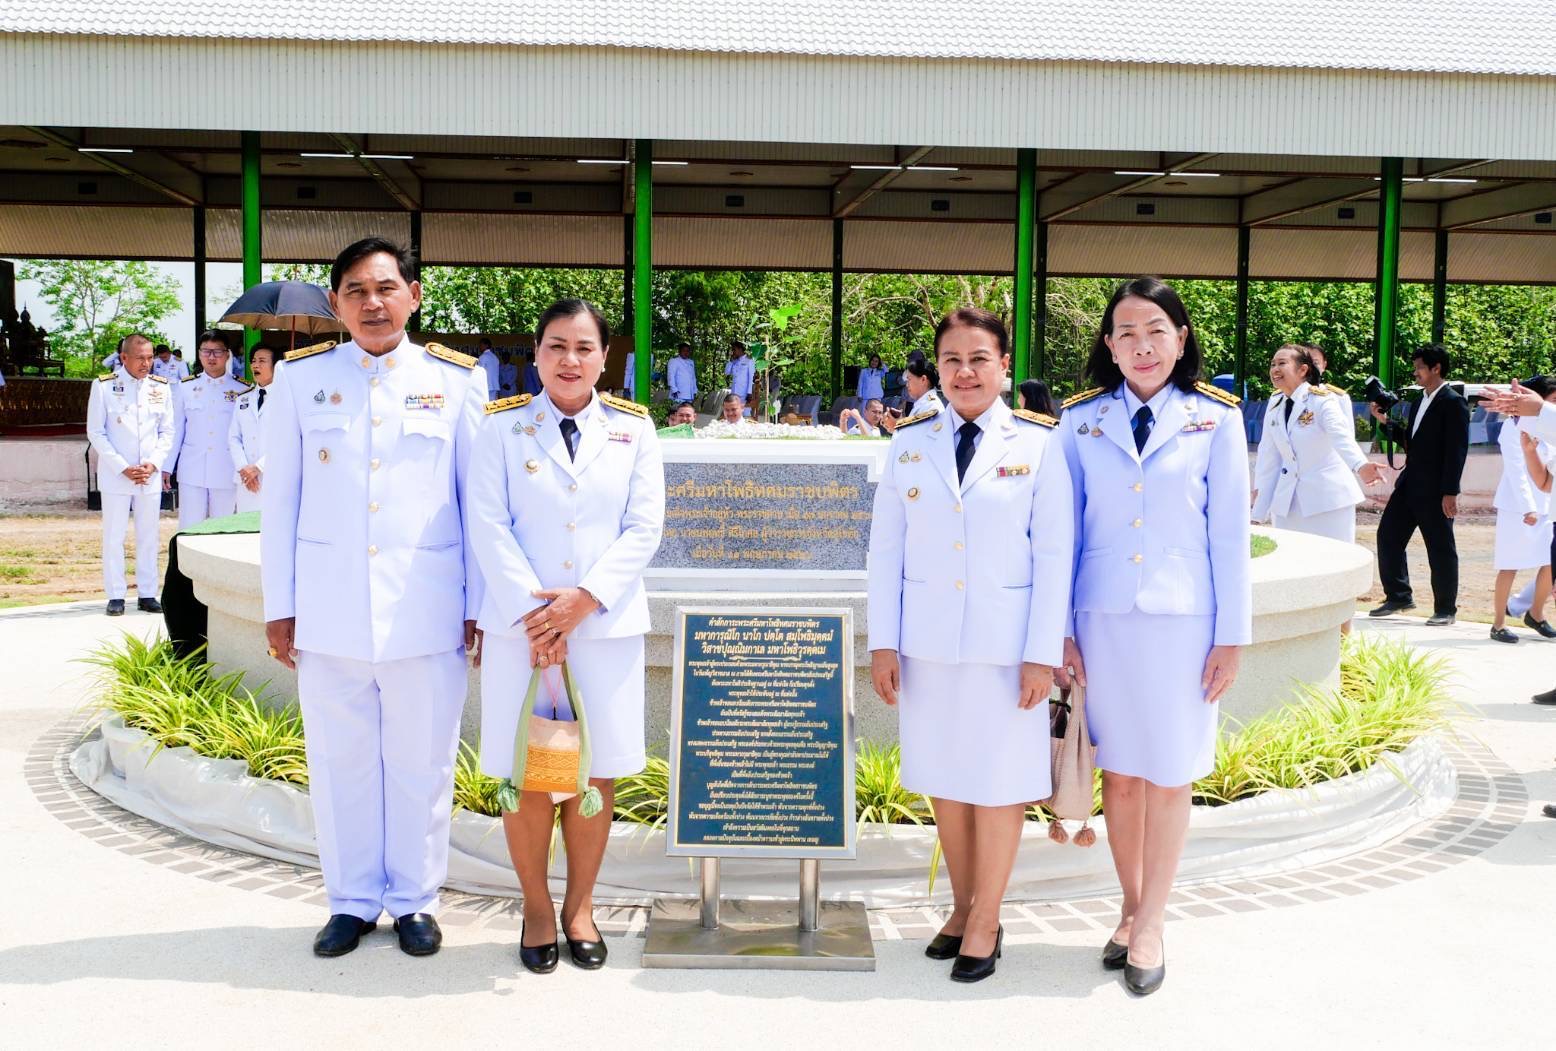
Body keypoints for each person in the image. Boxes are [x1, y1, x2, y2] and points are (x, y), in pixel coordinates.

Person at [261, 236, 487, 959]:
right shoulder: (300, 381)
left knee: (422, 762)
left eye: (386, 288)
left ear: (414, 295)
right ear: (335, 304)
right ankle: (352, 899)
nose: (372, 303)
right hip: (329, 610)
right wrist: (279, 603)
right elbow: (281, 504)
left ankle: (416, 899)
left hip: (425, 609)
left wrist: (476, 602)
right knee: (340, 761)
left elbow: (476, 502)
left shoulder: (457, 381)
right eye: (355, 290)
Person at [1057, 277, 1251, 997]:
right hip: (1099, 621)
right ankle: (1131, 905)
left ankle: (1152, 921)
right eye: (1127, 333)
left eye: (1156, 331)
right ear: (1108, 344)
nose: (1142, 346)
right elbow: (1062, 535)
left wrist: (1231, 635)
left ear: (1181, 338)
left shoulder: (1216, 418)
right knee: (1122, 775)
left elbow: (1229, 535)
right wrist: (1057, 631)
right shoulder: (1080, 421)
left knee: (1170, 772)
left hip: (1184, 624)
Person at [868, 307, 1072, 983]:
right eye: (952, 359)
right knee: (945, 784)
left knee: (999, 785)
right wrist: (884, 643)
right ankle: (960, 906)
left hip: (1007, 650)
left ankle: (987, 918)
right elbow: (886, 551)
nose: (965, 372)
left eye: (979, 358)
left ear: (1004, 365)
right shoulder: (909, 440)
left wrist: (1042, 651)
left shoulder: (1040, 443)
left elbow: (1055, 556)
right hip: (927, 645)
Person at [468, 298, 664, 974]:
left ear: (605, 357)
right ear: (537, 353)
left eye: (584, 347)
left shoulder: (635, 432)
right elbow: (488, 525)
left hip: (602, 628)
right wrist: (541, 616)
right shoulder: (501, 431)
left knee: (592, 773)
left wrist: (582, 602)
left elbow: (645, 528)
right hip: (522, 632)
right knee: (529, 772)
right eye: (556, 346)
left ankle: (581, 905)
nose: (570, 360)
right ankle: (536, 906)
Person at [1367, 344, 1470, 625]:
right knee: (1388, 535)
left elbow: (1457, 450)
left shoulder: (1453, 402)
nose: (1415, 373)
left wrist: (1450, 492)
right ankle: (1399, 595)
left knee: (1439, 547)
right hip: (1409, 483)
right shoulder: (1418, 402)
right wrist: (1385, 421)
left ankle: (1445, 609)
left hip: (1436, 490)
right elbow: (1412, 442)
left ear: (1436, 368)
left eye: (1419, 368)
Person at [1251, 344, 1382, 544]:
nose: (1275, 369)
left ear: (1303, 370)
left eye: (1282, 363)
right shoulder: (1276, 403)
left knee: (1333, 563)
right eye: (1272, 364)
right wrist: (1259, 508)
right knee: (1292, 563)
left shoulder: (1323, 400)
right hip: (1289, 502)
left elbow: (1341, 436)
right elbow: (1269, 456)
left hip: (1328, 500)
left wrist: (1360, 465)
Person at [85, 333, 174, 616]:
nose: (147, 363)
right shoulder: (103, 387)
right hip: (117, 475)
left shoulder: (161, 387)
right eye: (140, 358)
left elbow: (167, 431)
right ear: (124, 358)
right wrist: (122, 466)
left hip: (147, 475)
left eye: (149, 358)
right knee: (115, 535)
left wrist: (154, 463)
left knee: (149, 535)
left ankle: (148, 592)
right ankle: (116, 595)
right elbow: (95, 432)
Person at [1489, 376, 1556, 642]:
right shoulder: (1512, 428)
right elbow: (1517, 470)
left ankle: (1536, 614)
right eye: (1551, 401)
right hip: (1517, 506)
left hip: (1547, 504)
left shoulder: (1547, 427)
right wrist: (1528, 507)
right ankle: (1498, 623)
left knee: (1549, 563)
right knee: (1510, 564)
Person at [168, 332, 251, 526]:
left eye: (217, 352)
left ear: (227, 354)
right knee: (189, 527)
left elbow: (246, 433)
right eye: (206, 351)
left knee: (222, 528)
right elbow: (176, 429)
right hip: (192, 469)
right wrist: (167, 467)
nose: (211, 357)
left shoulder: (242, 390)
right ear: (199, 354)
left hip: (226, 468)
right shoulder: (185, 387)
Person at [227, 346, 276, 513]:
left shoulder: (286, 398)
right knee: (246, 531)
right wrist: (244, 468)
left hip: (272, 476)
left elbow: (287, 441)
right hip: (246, 479)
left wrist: (259, 467)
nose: (256, 365)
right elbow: (234, 437)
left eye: (262, 361)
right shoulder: (243, 398)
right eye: (253, 361)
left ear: (275, 366)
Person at [881, 359, 942, 435]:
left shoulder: (932, 407)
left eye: (909, 379)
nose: (907, 385)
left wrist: (896, 426)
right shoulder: (923, 404)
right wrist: (900, 421)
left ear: (923, 379)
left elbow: (920, 440)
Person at [725, 340, 754, 410]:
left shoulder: (749, 361)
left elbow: (751, 378)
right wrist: (731, 361)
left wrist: (749, 393)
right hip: (734, 392)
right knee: (734, 412)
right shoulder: (734, 361)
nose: (733, 352)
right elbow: (727, 372)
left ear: (740, 349)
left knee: (745, 413)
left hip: (744, 393)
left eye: (734, 349)